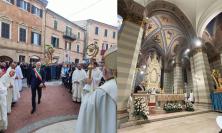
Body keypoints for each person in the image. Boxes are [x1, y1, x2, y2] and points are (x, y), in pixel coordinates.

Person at [76, 46, 117, 133]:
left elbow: (87, 107)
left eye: (104, 66)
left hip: (95, 88)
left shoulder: (103, 92)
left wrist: (88, 85)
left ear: (105, 71)